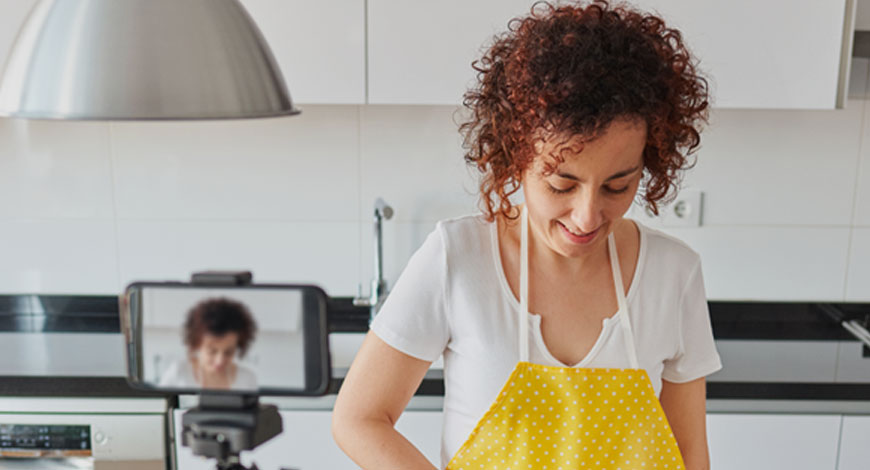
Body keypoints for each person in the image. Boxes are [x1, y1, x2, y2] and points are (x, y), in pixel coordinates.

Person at [332, 1, 721, 469]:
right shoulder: (458, 258)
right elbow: (359, 417)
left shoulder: (672, 273)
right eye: (562, 185)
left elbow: (689, 453)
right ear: (515, 157)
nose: (586, 216)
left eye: (618, 186)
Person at [158, 297, 258, 390]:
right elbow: (159, 406)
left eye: (229, 352)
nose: (220, 360)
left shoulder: (247, 379)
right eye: (212, 351)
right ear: (197, 343)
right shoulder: (179, 373)